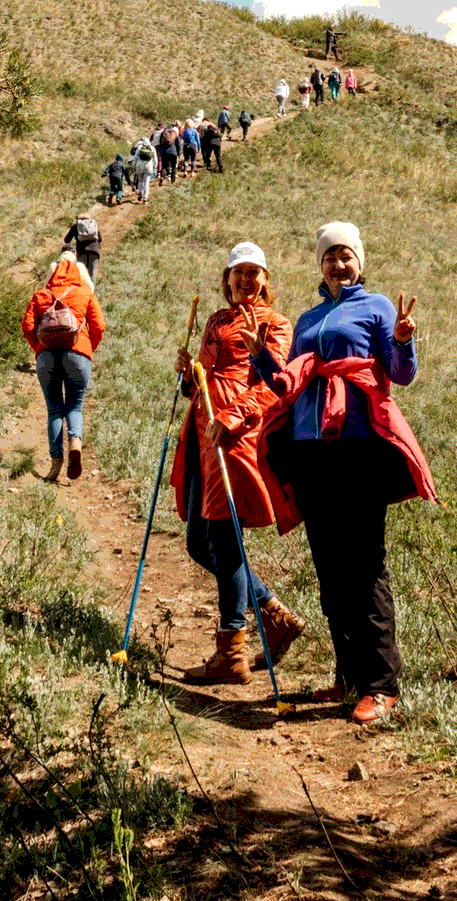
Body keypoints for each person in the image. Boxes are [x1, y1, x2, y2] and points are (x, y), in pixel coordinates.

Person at [250, 221, 434, 726]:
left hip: (359, 448)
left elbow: (399, 374)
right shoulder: (308, 318)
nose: (338, 264)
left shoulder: (375, 308)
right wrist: (260, 357)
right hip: (312, 451)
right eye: (330, 256)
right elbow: (286, 383)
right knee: (331, 568)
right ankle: (349, 674)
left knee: (364, 564)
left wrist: (402, 340)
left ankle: (381, 684)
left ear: (360, 262)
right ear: (320, 265)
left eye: (346, 255)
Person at [171, 242, 305, 684]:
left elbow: (275, 384)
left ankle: (232, 650)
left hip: (236, 437)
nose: (246, 280)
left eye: (255, 272)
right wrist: (191, 375)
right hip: (202, 434)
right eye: (238, 272)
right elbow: (207, 378)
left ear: (266, 279)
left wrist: (232, 415)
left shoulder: (276, 325)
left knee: (225, 539)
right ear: (226, 279)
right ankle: (269, 609)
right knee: (197, 542)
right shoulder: (215, 320)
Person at [22, 248, 106, 481]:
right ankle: (75, 444)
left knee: (54, 408)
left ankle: (56, 461)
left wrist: (39, 348)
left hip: (46, 356)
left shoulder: (41, 295)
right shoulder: (85, 293)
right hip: (78, 353)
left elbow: (28, 326)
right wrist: (88, 349)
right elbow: (99, 326)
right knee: (75, 406)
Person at [64, 210, 102, 285]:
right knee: (92, 273)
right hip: (94, 251)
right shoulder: (93, 224)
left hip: (81, 251)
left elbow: (66, 240)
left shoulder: (76, 225)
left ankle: (81, 292)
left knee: (81, 273)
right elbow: (100, 239)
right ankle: (91, 293)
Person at [130, 138, 156, 203]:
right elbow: (155, 160)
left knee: (140, 181)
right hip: (149, 166)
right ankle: (145, 198)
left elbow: (135, 157)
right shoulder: (152, 148)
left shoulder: (139, 147)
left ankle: (140, 194)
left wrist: (133, 166)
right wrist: (155, 168)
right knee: (146, 182)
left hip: (140, 166)